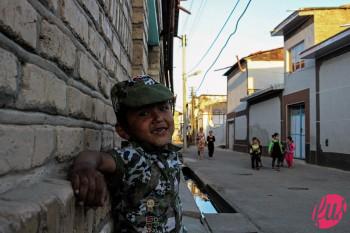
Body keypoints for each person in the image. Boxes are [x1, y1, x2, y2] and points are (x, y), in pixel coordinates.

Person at [69, 75, 186, 233]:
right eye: (144, 113)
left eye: (163, 108)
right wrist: (84, 168)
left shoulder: (170, 154)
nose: (158, 117)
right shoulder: (133, 157)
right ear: (123, 130)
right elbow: (97, 157)